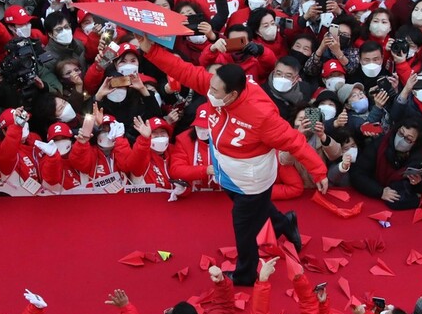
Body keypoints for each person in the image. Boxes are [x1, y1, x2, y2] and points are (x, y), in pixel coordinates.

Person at [138, 34, 327, 286]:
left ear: (233, 94)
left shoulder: (263, 115)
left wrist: (319, 171)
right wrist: (151, 51)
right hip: (225, 166)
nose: (209, 92)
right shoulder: (215, 84)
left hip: (252, 176)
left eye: (215, 91)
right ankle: (284, 222)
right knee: (254, 208)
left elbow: (295, 142)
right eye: (211, 86)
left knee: (243, 227)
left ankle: (245, 274)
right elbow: (182, 70)